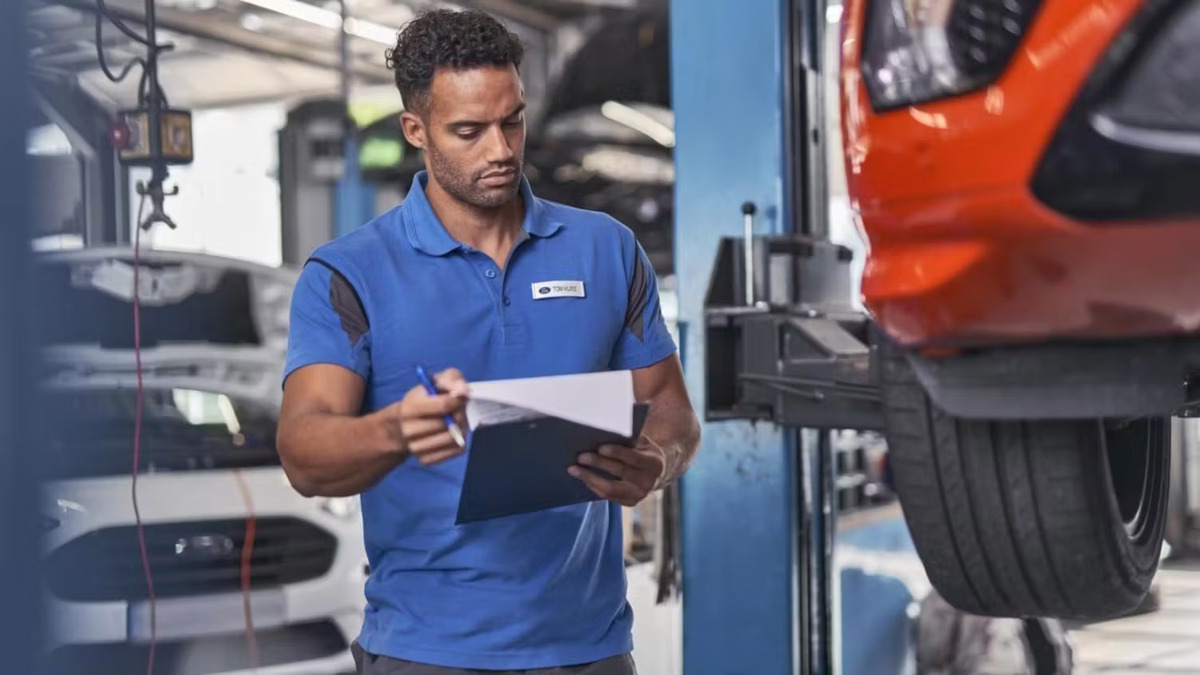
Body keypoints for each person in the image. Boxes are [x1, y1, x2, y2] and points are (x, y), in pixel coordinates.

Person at [276, 8, 700, 675]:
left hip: (589, 648)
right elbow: (303, 451)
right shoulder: (349, 273)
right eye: (468, 131)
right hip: (426, 651)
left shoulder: (606, 250)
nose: (500, 150)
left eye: (512, 121)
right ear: (417, 130)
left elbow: (673, 409)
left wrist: (656, 459)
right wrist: (394, 430)